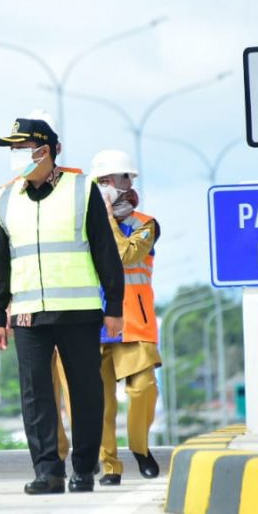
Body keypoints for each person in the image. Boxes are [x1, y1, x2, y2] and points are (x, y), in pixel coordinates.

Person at [0, 112, 125, 495]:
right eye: (12, 149)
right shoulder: (5, 198)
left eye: (21, 148)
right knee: (35, 394)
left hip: (78, 311)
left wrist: (114, 307)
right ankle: (48, 471)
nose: (15, 155)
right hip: (28, 314)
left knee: (85, 391)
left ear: (44, 150)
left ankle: (82, 468)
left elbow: (105, 251)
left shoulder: (82, 190)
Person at [89, 149, 162, 486]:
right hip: (95, 324)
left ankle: (140, 447)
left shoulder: (146, 225)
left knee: (143, 389)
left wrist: (104, 221)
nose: (108, 187)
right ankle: (110, 466)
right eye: (101, 181)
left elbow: (126, 255)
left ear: (127, 183)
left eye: (113, 180)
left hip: (135, 322)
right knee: (101, 405)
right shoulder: (85, 225)